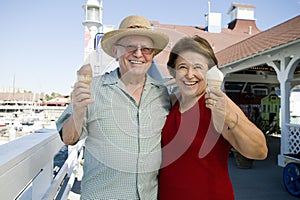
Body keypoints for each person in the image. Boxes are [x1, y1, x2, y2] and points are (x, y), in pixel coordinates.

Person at [56, 15, 170, 200]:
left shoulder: (162, 95)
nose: (138, 54)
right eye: (130, 46)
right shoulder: (91, 88)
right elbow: (68, 138)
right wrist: (77, 111)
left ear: (152, 55)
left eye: (146, 49)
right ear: (116, 51)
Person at [158, 36, 268, 200]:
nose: (190, 75)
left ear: (210, 72)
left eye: (198, 67)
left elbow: (259, 151)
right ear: (173, 71)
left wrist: (229, 117)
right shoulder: (171, 102)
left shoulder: (218, 103)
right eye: (182, 67)